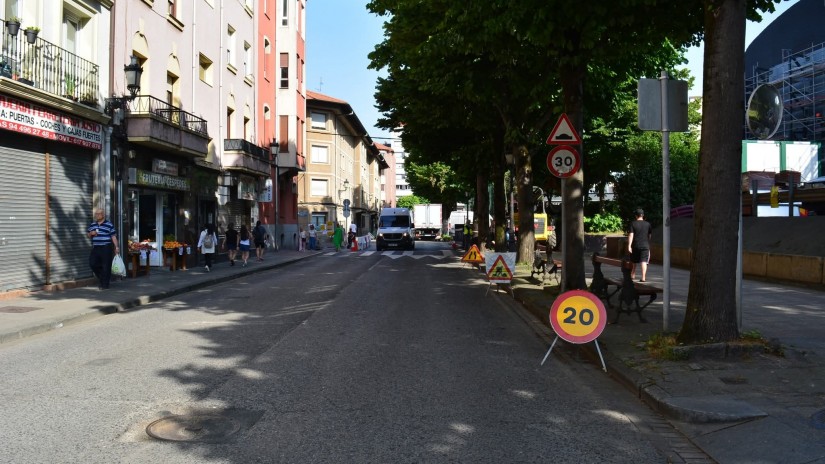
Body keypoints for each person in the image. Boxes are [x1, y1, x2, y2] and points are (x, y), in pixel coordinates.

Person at [87, 207, 120, 290]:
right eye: (96, 214)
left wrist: (116, 247)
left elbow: (113, 236)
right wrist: (91, 233)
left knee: (106, 266)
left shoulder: (109, 224)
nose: (97, 215)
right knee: (92, 263)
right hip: (96, 247)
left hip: (106, 247)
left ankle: (105, 284)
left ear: (103, 215)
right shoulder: (93, 225)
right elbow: (88, 235)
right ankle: (102, 277)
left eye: (99, 214)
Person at [627, 208, 653, 282]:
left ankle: (633, 274)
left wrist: (629, 245)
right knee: (644, 261)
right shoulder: (648, 224)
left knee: (633, 261)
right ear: (643, 215)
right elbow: (649, 236)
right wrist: (648, 244)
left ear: (636, 216)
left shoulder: (633, 223)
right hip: (645, 246)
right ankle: (643, 277)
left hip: (635, 245)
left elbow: (631, 235)